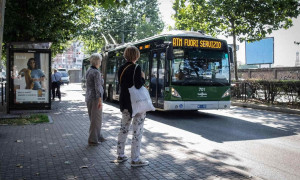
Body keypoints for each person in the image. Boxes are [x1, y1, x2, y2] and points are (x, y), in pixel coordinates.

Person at [115, 46, 149, 167]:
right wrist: (143, 78)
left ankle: (120, 155)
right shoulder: (137, 67)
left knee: (123, 129)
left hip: (124, 102)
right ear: (136, 56)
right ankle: (135, 159)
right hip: (136, 104)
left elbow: (122, 84)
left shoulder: (121, 68)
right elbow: (138, 85)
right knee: (137, 131)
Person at [85, 53, 105, 146]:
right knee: (96, 119)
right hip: (95, 98)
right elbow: (98, 87)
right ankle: (93, 139)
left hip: (89, 97)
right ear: (98, 61)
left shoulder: (89, 70)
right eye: (100, 61)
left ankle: (98, 136)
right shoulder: (96, 72)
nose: (101, 62)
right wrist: (100, 100)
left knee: (93, 118)